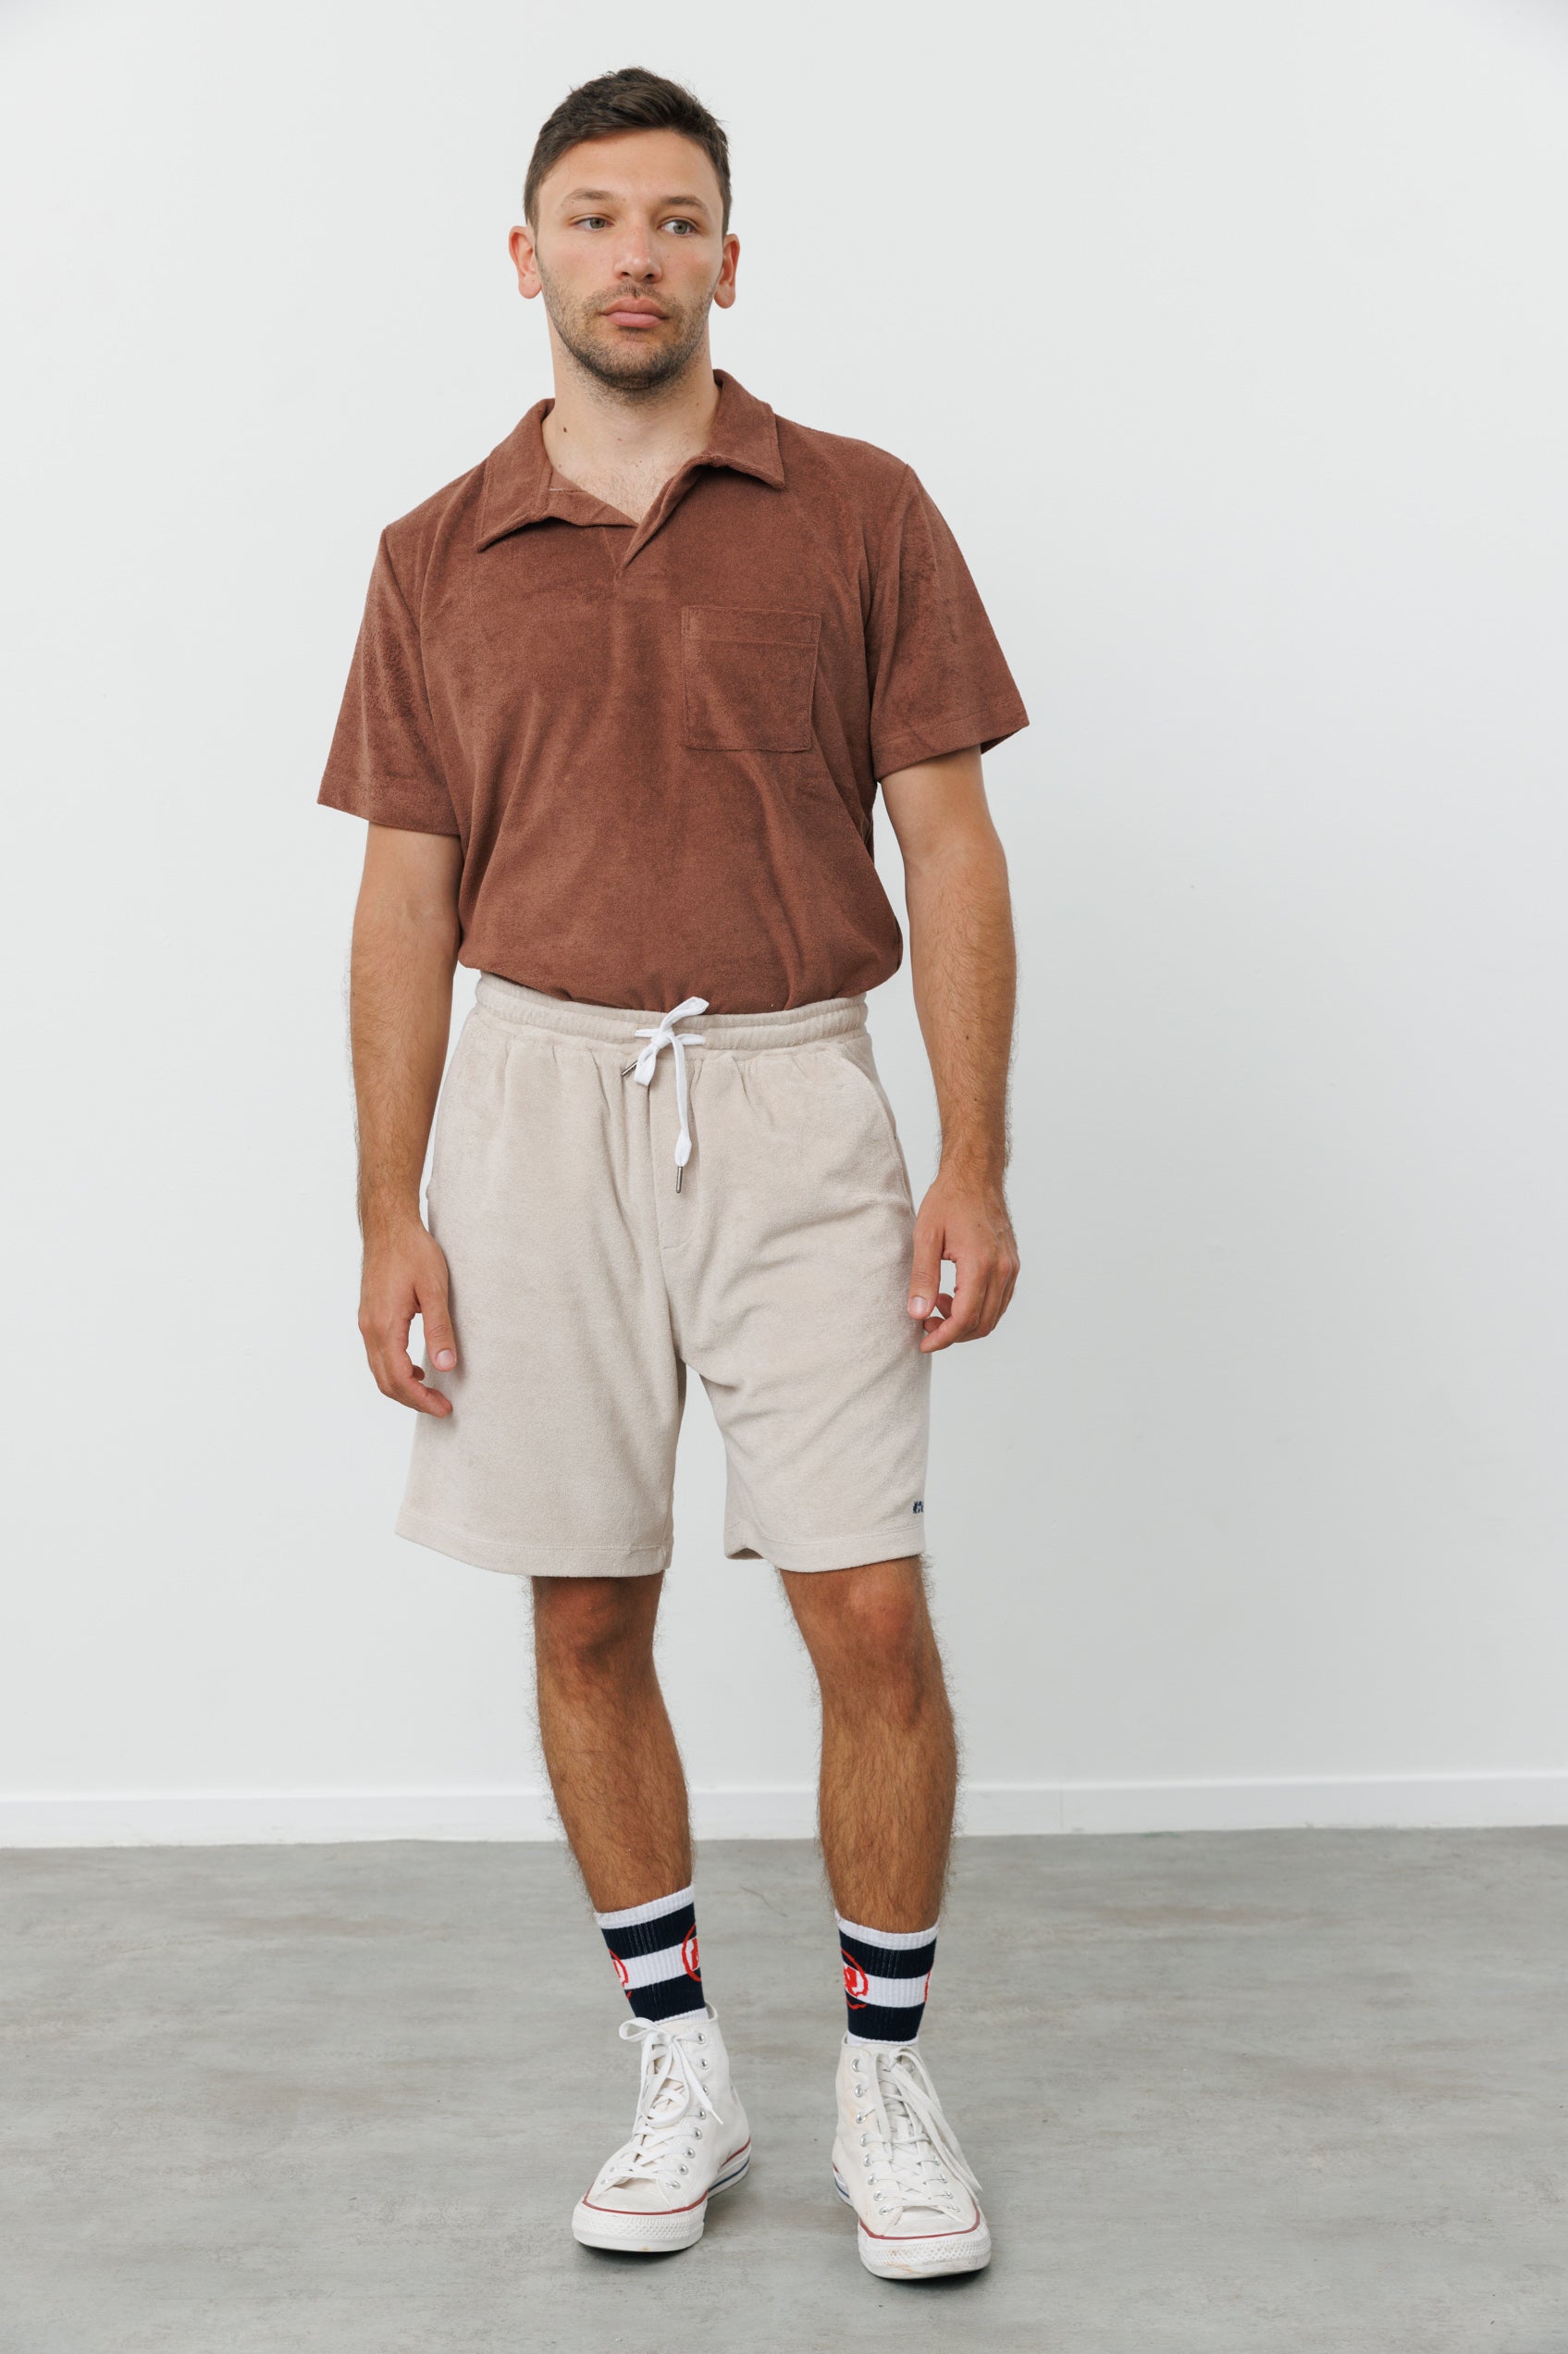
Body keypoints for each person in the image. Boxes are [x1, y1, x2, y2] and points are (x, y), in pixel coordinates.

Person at [317, 65, 1026, 2282]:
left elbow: (949, 847)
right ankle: (674, 2064)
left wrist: (973, 1158)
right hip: (530, 1105)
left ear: (730, 257)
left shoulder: (860, 511)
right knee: (585, 1607)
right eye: (596, 218)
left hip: (797, 1096)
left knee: (865, 1605)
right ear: (525, 257)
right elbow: (403, 900)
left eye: (677, 220)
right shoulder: (432, 553)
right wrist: (389, 1206)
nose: (637, 256)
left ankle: (885, 2079)